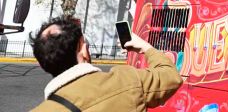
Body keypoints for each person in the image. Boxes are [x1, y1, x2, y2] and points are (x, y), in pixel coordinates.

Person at [30, 16, 182, 111]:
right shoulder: (127, 80)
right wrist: (145, 47)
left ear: (42, 63)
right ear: (83, 50)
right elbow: (171, 76)